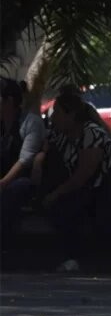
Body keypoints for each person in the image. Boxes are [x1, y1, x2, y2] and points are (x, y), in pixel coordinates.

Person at [41, 92, 111, 274]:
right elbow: (47, 155)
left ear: (71, 115)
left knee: (106, 214)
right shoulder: (61, 136)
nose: (53, 117)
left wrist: (57, 193)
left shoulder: (91, 133)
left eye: (57, 112)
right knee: (63, 209)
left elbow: (84, 174)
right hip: (90, 192)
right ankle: (71, 258)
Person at [0, 78, 45, 246]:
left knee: (13, 191)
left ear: (9, 101)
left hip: (25, 180)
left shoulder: (30, 122)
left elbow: (25, 159)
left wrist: (3, 183)